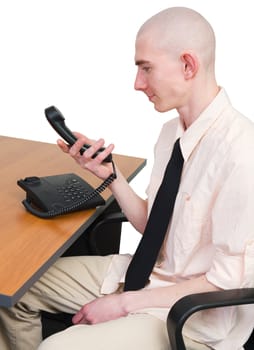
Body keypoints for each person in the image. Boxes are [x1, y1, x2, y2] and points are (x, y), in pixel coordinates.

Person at [1, 6, 254, 350]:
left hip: (192, 318)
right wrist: (111, 176)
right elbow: (154, 225)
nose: (138, 84)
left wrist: (121, 305)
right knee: (13, 293)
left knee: (55, 347)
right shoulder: (171, 134)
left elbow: (225, 282)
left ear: (188, 65)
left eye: (146, 68)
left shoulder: (242, 153)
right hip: (145, 276)